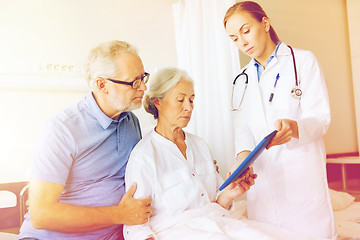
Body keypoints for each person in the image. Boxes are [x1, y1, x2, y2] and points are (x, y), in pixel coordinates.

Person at [123, 67, 323, 240]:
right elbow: (135, 226)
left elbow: (218, 200)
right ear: (158, 102)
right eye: (181, 99)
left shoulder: (199, 145)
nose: (188, 107)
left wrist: (232, 192)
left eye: (192, 100)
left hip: (216, 223)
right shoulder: (144, 156)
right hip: (177, 232)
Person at [18, 40, 153, 240]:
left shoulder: (130, 121)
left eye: (143, 78)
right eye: (134, 82)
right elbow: (42, 214)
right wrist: (120, 214)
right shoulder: (63, 128)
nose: (143, 88)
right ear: (102, 85)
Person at [223, 1, 336, 239]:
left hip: (301, 174)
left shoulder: (303, 61)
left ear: (265, 23)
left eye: (245, 31)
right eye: (234, 38)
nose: (242, 42)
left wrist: (295, 128)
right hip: (262, 180)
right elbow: (242, 125)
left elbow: (320, 118)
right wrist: (243, 155)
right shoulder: (242, 78)